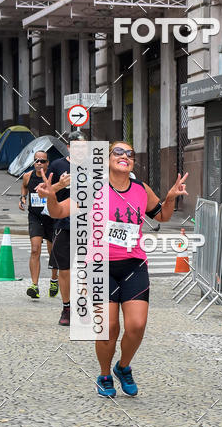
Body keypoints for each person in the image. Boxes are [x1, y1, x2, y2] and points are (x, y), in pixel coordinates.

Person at [39, 142, 188, 399]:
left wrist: (171, 198)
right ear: (107, 160)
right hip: (98, 266)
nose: (125, 156)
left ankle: (123, 366)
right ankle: (105, 374)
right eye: (118, 152)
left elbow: (161, 216)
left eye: (130, 153)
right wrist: (52, 197)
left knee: (136, 325)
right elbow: (59, 211)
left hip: (134, 264)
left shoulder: (141, 189)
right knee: (108, 326)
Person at [48, 130, 86, 326]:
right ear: (69, 147)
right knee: (65, 269)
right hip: (65, 222)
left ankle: (84, 306)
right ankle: (67, 308)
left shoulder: (94, 167)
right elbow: (46, 192)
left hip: (89, 224)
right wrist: (60, 185)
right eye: (77, 146)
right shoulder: (58, 165)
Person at [19, 150, 59, 299]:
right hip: (35, 217)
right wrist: (23, 197)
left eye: (43, 161)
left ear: (48, 163)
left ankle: (54, 280)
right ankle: (34, 286)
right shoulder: (27, 176)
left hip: (52, 217)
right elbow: (24, 187)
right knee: (35, 249)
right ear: (33, 162)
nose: (40, 164)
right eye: (37, 161)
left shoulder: (52, 178)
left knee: (52, 251)